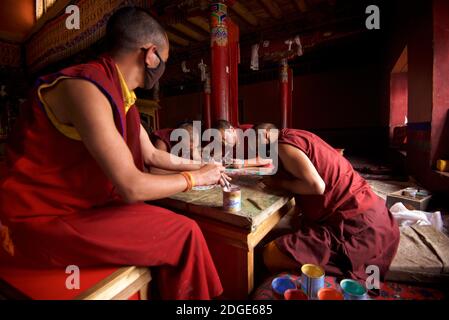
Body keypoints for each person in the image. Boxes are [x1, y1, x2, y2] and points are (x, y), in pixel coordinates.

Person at [0, 7, 226, 300]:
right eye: (164, 60)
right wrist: (194, 179)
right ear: (151, 54)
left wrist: (207, 167)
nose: (162, 68)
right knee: (185, 234)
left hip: (84, 207)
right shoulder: (85, 89)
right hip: (39, 218)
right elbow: (132, 186)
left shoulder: (124, 98)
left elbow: (153, 156)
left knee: (173, 221)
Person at [256, 123, 400, 281]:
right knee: (293, 228)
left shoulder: (283, 145)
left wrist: (278, 183)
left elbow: (316, 186)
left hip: (356, 222)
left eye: (257, 142)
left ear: (267, 134)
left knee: (271, 254)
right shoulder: (296, 135)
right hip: (374, 210)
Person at [206, 119, 271, 168]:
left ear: (232, 130)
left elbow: (267, 158)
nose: (225, 144)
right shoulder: (221, 143)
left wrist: (243, 163)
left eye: (224, 138)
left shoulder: (251, 132)